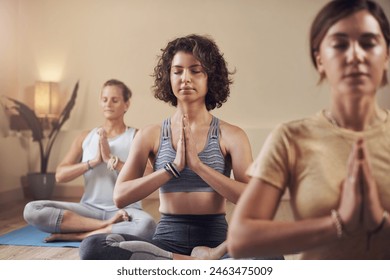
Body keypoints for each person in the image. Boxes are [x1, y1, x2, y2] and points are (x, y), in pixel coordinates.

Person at [227, 0, 390, 260]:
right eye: (340, 44)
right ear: (320, 60)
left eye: (369, 43)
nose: (355, 55)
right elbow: (240, 239)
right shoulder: (291, 138)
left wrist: (380, 224)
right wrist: (340, 224)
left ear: (386, 55)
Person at [79, 34, 254, 260]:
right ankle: (199, 264)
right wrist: (173, 168)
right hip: (165, 242)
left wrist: (199, 166)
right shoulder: (150, 134)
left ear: (210, 76)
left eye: (195, 70)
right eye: (178, 71)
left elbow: (252, 198)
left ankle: (178, 265)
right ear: (168, 77)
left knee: (271, 257)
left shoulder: (231, 135)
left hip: (216, 239)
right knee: (93, 247)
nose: (185, 78)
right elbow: (120, 197)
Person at [23, 79, 156, 242]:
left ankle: (81, 233)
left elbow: (150, 175)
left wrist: (113, 161)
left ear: (126, 104)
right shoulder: (85, 137)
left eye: (115, 100)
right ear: (100, 102)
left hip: (126, 211)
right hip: (88, 209)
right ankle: (106, 225)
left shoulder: (137, 136)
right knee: (32, 209)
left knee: (148, 226)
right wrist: (92, 162)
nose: (108, 104)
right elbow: (60, 175)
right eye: (104, 99)